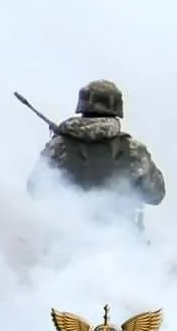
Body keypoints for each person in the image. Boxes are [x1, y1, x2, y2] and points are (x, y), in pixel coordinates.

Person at [26, 79, 165, 233]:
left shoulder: (59, 147)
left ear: (82, 105)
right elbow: (156, 195)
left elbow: (35, 189)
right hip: (122, 242)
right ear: (116, 108)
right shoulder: (133, 150)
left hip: (67, 239)